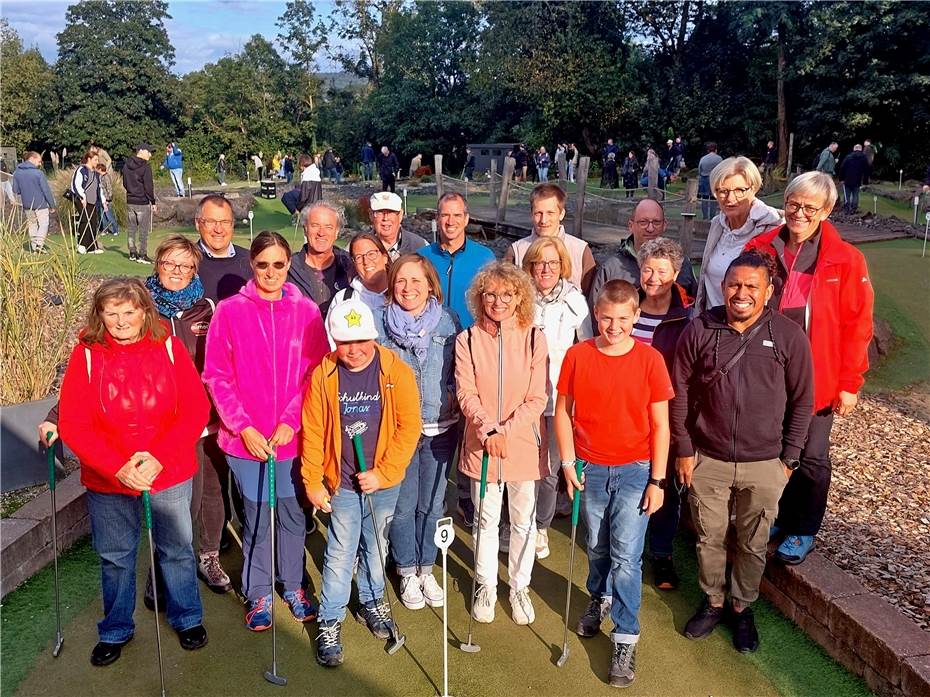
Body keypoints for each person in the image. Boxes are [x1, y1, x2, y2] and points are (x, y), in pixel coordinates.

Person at [58, 278, 211, 667]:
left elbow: (195, 411)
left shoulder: (171, 348)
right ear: (100, 315)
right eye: (112, 313)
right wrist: (118, 468)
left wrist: (158, 457)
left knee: (175, 550)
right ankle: (115, 628)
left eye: (129, 312)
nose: (121, 321)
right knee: (116, 557)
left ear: (145, 312)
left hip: (168, 470)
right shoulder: (87, 355)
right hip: (110, 479)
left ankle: (187, 616)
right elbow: (75, 423)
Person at [671, 251, 814, 653]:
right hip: (708, 458)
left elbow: (803, 402)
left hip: (766, 462)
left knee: (753, 542)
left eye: (752, 286)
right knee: (709, 537)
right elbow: (678, 391)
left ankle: (741, 606)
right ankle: (714, 600)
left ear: (768, 291)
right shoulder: (701, 328)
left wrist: (789, 460)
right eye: (734, 284)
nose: (741, 293)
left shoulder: (788, 336)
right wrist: (684, 448)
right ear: (723, 285)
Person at [744, 172, 874, 566]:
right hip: (768, 368)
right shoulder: (762, 246)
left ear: (827, 210)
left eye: (810, 207)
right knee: (773, 448)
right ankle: (781, 518)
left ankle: (804, 528)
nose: (799, 213)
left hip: (818, 374)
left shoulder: (846, 259)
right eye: (793, 204)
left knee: (812, 454)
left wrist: (850, 383)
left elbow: (859, 325)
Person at [203, 231, 329, 630]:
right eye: (262, 265)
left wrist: (291, 421)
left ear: (288, 265)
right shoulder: (229, 311)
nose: (271, 272)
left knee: (292, 515)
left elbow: (315, 374)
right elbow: (217, 376)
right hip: (246, 442)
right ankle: (258, 591)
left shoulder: (307, 311)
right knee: (256, 518)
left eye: (278, 264)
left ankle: (291, 584)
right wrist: (243, 427)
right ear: (252, 265)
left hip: (293, 438)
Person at [554, 279, 672, 688]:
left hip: (636, 469)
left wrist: (658, 480)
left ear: (636, 316)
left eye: (623, 318)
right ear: (596, 314)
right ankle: (598, 597)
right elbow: (562, 414)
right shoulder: (577, 355)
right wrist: (568, 464)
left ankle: (625, 636)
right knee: (599, 546)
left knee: (626, 555)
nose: (614, 325)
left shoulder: (651, 360)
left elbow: (661, 425)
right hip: (589, 467)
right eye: (606, 317)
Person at [301, 298, 421, 666]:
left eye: (361, 340)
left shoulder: (395, 372)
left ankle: (371, 600)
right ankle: (329, 619)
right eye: (345, 342)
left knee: (376, 546)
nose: (353, 350)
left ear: (373, 336)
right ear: (335, 341)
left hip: (383, 482)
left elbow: (408, 427)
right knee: (339, 553)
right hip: (343, 484)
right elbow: (313, 430)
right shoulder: (324, 375)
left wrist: (383, 473)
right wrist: (313, 480)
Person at [455, 262, 548, 625]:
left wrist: (505, 432)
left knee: (523, 521)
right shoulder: (467, 339)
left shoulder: (534, 337)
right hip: (481, 444)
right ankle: (486, 584)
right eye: (490, 294)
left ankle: (519, 586)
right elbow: (466, 391)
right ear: (480, 297)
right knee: (485, 520)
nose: (498, 301)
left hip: (521, 442)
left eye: (507, 294)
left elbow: (537, 397)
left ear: (520, 297)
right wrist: (488, 429)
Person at [144, 235, 233, 594]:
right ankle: (162, 567)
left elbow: (224, 361)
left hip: (207, 420)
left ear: (195, 269)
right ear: (158, 266)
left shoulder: (208, 308)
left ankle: (208, 555)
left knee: (212, 490)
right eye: (169, 264)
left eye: (185, 265)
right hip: (163, 427)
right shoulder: (142, 309)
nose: (177, 271)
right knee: (171, 501)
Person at [376, 254, 462, 609]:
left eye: (416, 281)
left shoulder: (448, 321)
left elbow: (459, 369)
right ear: (392, 286)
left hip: (441, 427)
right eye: (401, 281)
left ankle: (427, 567)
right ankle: (407, 569)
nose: (408, 289)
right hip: (399, 430)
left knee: (432, 503)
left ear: (430, 285)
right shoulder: (380, 326)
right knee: (404, 504)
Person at [419, 192, 496, 522]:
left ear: (466, 219)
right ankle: (430, 495)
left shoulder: (485, 256)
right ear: (437, 219)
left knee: (469, 425)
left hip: (472, 353)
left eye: (456, 216)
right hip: (430, 353)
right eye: (443, 216)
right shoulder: (422, 257)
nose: (449, 222)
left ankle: (465, 493)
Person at [522, 237, 591, 559]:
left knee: (549, 470)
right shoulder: (520, 299)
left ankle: (540, 527)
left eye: (552, 262)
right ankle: (517, 522)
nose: (545, 269)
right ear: (530, 267)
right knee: (522, 466)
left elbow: (587, 348)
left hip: (559, 399)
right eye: (539, 263)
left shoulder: (575, 301)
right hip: (523, 398)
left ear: (562, 265)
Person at [630, 238, 692, 589]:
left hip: (665, 413)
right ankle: (629, 551)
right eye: (648, 270)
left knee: (663, 484)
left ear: (677, 274)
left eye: (662, 271)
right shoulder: (629, 306)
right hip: (625, 411)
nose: (653, 278)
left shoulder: (686, 317)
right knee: (629, 484)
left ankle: (662, 554)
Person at [693, 156, 783, 314]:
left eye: (740, 190)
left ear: (754, 188)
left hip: (749, 329)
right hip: (710, 324)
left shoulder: (773, 227)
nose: (730, 198)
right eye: (723, 191)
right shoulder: (717, 224)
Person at [588, 199, 698, 306]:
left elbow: (694, 308)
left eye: (656, 222)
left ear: (664, 225)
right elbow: (596, 313)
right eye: (643, 222)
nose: (650, 228)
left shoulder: (682, 265)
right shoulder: (612, 268)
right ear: (631, 225)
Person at [505, 183, 596, 295]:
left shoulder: (581, 251)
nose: (543, 220)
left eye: (550, 213)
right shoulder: (516, 251)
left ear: (561, 214)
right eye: (538, 213)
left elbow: (590, 300)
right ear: (531, 214)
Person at [286, 201, 353, 316]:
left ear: (336, 232)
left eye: (328, 227)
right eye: (315, 225)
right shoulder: (288, 268)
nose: (321, 233)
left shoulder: (350, 266)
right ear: (305, 229)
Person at [194, 195, 251, 302]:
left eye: (225, 222)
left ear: (232, 224)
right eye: (210, 221)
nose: (218, 229)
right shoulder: (184, 264)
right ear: (197, 224)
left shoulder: (250, 261)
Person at [326, 232, 391, 323]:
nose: (366, 261)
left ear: (385, 257)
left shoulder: (402, 294)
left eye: (371, 254)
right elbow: (329, 336)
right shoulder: (342, 300)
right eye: (359, 257)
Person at [11, 150, 55, 253]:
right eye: (39, 161)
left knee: (32, 225)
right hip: (40, 203)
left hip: (27, 204)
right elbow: (46, 190)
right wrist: (52, 204)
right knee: (44, 223)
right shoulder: (38, 173)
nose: (40, 164)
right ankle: (39, 245)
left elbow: (15, 190)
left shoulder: (17, 173)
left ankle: (34, 247)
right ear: (32, 159)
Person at [122, 142, 157, 263]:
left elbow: (125, 183)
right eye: (149, 152)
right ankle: (142, 255)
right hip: (142, 201)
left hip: (130, 200)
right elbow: (148, 186)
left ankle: (132, 252)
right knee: (143, 230)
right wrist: (153, 201)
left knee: (131, 229)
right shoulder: (145, 166)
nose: (150, 155)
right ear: (141, 151)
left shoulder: (126, 165)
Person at [369, 191, 428, 260]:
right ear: (371, 215)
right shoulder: (360, 247)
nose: (385, 218)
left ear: (400, 215)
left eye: (391, 212)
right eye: (380, 212)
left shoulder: (420, 246)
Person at [70, 148, 104, 255]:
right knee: (85, 220)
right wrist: (82, 196)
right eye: (95, 160)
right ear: (89, 159)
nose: (97, 162)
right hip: (81, 200)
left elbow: (99, 189)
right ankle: (82, 245)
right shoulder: (81, 170)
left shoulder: (96, 174)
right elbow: (76, 184)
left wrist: (103, 201)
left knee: (93, 222)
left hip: (93, 201)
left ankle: (91, 246)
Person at [839, 144, 870, 213]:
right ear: (861, 149)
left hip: (848, 178)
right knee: (855, 194)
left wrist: (841, 178)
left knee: (847, 194)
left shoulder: (848, 157)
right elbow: (866, 170)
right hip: (857, 179)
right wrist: (865, 181)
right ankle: (854, 208)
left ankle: (846, 207)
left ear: (854, 149)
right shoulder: (864, 158)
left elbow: (842, 167)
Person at [698, 143, 723, 219]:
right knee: (713, 198)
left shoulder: (703, 158)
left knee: (704, 198)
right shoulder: (719, 159)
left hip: (704, 178)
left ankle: (705, 216)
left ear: (708, 150)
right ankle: (712, 216)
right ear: (716, 150)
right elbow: (722, 170)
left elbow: (700, 169)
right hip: (714, 179)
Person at [96, 163, 118, 237]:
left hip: (106, 200)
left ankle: (116, 230)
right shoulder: (100, 177)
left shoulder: (106, 177)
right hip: (101, 200)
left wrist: (108, 200)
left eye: (97, 169)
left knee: (109, 216)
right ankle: (105, 230)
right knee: (103, 217)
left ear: (100, 169)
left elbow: (109, 189)